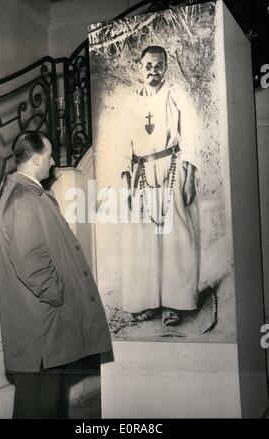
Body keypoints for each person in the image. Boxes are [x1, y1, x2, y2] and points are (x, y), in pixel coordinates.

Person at [0, 131, 112, 418]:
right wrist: (60, 295)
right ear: (36, 158)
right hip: (43, 332)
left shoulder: (31, 195)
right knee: (38, 409)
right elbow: (32, 262)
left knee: (48, 408)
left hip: (47, 331)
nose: (52, 164)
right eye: (48, 156)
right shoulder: (24, 200)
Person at [121, 45, 200, 326]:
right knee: (143, 239)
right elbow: (124, 144)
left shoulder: (175, 95)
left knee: (175, 236)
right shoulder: (132, 101)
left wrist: (190, 176)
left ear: (165, 67)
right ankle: (148, 302)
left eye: (158, 65)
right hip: (141, 172)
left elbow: (190, 133)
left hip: (172, 168)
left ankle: (174, 304)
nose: (153, 70)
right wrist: (126, 181)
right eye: (148, 65)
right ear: (140, 68)